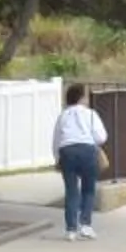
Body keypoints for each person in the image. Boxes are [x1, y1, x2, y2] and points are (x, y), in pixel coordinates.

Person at [52, 80, 107, 241]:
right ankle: (86, 225)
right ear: (82, 98)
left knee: (71, 190)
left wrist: (57, 158)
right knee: (88, 189)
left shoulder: (63, 115)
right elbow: (101, 137)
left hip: (67, 151)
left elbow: (56, 139)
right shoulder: (90, 114)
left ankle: (71, 229)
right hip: (87, 150)